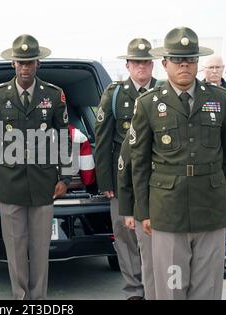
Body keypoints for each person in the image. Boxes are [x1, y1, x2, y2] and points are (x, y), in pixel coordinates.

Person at [131, 26, 226, 300]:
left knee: (208, 288)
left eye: (190, 59)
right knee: (172, 287)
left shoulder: (220, 99)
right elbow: (139, 162)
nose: (184, 65)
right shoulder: (148, 104)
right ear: (165, 63)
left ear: (197, 63)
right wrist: (143, 211)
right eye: (178, 60)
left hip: (211, 205)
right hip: (168, 210)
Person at [0, 34, 71, 300]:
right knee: (15, 248)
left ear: (38, 63)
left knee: (39, 248)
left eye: (30, 62)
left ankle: (39, 298)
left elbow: (64, 137)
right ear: (13, 63)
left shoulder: (53, 95)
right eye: (21, 62)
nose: (25, 67)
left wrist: (65, 176)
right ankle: (20, 297)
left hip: (44, 183)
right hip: (9, 184)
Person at [94, 38, 159, 300]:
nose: (141, 67)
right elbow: (103, 140)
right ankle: (134, 290)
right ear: (128, 65)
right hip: (122, 179)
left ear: (153, 65)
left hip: (157, 180)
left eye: (146, 62)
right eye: (136, 62)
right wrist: (105, 182)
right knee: (125, 237)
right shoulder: (115, 93)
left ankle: (154, 287)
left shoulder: (163, 92)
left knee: (154, 236)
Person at [203, 55, 226, 280]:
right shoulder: (197, 92)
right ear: (203, 69)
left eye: (218, 67)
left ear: (223, 68)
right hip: (206, 162)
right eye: (211, 67)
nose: (215, 71)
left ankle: (221, 261)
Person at [118, 130, 155, 300]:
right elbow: (124, 169)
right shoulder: (141, 123)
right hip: (145, 206)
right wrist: (127, 212)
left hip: (175, 207)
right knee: (151, 266)